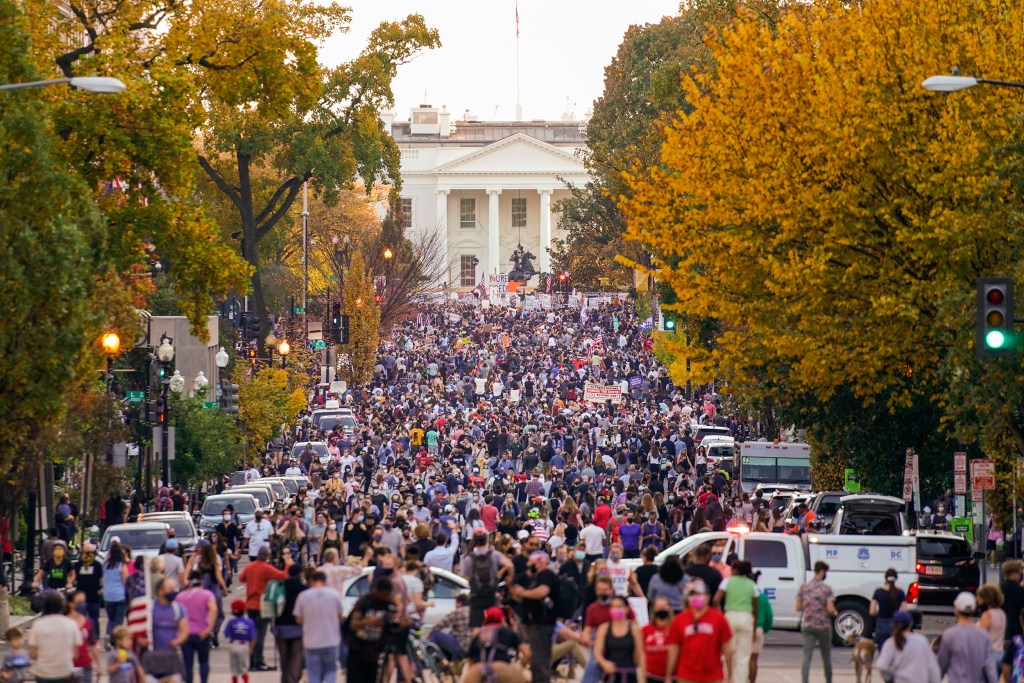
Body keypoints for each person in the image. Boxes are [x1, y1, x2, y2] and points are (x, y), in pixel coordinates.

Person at [664, 579, 733, 683]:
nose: (696, 597)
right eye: (692, 594)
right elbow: (674, 649)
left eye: (699, 594)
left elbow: (727, 648)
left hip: (713, 676)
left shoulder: (719, 618)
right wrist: (668, 676)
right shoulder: (679, 620)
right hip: (686, 676)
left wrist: (730, 675)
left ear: (708, 596)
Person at [510, 551, 559, 683]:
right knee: (538, 657)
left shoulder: (546, 575)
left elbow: (542, 592)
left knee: (540, 658)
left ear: (540, 562)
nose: (529, 566)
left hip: (541, 623)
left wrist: (524, 592)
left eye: (531, 563)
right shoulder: (536, 577)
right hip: (535, 624)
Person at [238, 545, 288, 671]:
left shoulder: (250, 567)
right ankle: (258, 661)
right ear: (268, 556)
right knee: (260, 635)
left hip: (250, 605)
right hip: (261, 605)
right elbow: (282, 576)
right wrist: (287, 563)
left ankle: (253, 660)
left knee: (253, 634)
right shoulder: (266, 568)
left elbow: (241, 578)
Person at [293, 570, 346, 683]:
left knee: (313, 672)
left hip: (311, 642)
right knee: (331, 670)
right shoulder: (334, 595)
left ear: (311, 581)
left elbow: (298, 618)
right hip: (331, 640)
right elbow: (340, 616)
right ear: (325, 581)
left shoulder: (303, 596)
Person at [713, 560, 758, 683]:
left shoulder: (727, 581)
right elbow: (755, 609)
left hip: (730, 617)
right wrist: (754, 629)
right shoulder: (752, 584)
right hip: (746, 617)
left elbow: (716, 599)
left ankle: (729, 678)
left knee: (728, 651)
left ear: (735, 570)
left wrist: (719, 612)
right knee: (743, 656)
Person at [936, 591, 996, 683]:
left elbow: (941, 666)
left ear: (956, 609)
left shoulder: (949, 635)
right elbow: (989, 668)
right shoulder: (983, 635)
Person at [346, 576, 398, 683]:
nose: (384, 597)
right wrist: (369, 622)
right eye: (383, 595)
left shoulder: (388, 605)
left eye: (387, 595)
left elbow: (391, 626)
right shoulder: (365, 602)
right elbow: (353, 624)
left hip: (374, 651)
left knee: (371, 678)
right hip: (358, 648)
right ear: (377, 591)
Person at [459, 530, 514, 627]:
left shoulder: (468, 558)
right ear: (487, 540)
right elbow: (510, 565)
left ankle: (477, 640)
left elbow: (467, 577)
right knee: (495, 623)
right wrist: (509, 579)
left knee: (475, 626)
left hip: (476, 595)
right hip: (492, 594)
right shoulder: (494, 555)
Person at [462, 606, 531, 683]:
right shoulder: (507, 632)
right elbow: (527, 654)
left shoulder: (477, 635)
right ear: (502, 619)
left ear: (485, 620)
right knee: (526, 677)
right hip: (502, 668)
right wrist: (519, 667)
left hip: (479, 669)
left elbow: (471, 662)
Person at [28, 590, 82, 683]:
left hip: (43, 673)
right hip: (64, 672)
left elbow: (32, 654)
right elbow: (75, 655)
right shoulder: (71, 624)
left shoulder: (37, 625)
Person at [796, 561, 837, 683]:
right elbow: (830, 609)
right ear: (823, 571)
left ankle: (805, 680)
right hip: (823, 626)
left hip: (808, 625)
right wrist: (834, 612)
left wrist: (809, 608)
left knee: (807, 655)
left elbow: (798, 607)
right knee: (826, 656)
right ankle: (828, 680)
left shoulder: (804, 587)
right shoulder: (827, 589)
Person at [174, 570, 218, 683]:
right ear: (201, 581)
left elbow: (175, 614)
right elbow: (214, 610)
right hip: (202, 633)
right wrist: (209, 629)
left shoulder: (180, 596)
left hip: (186, 634)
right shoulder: (207, 595)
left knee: (187, 664)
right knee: (203, 662)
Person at [875, 610, 940, 683]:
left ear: (893, 624)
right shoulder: (921, 641)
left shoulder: (890, 643)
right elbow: (932, 668)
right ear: (910, 624)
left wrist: (889, 679)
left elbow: (882, 666)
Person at [593, 595, 646, 683]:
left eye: (619, 606)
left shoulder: (634, 629)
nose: (616, 609)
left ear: (627, 608)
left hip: (629, 674)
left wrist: (643, 678)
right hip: (610, 674)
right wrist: (603, 663)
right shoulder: (604, 628)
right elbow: (597, 652)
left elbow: (640, 654)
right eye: (613, 606)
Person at [274, 563, 307, 683]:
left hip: (281, 627)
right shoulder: (304, 589)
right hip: (297, 628)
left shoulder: (280, 586)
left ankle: (285, 678)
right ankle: (293, 678)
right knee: (296, 656)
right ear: (300, 574)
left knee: (284, 657)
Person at [69, 591, 101, 683]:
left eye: (84, 601)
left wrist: (98, 665)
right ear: (71, 604)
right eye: (79, 602)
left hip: (85, 664)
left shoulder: (87, 622)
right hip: (71, 665)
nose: (82, 605)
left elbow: (92, 644)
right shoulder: (64, 622)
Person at [869, 568, 906, 648]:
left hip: (881, 625)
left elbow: (872, 611)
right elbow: (904, 611)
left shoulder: (878, 592)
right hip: (895, 625)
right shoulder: (900, 592)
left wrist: (879, 612)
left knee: (883, 655)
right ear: (896, 578)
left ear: (885, 578)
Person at [73, 542, 103, 638]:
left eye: (91, 552)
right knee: (81, 617)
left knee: (94, 617)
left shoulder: (97, 565)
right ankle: (83, 635)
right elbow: (73, 577)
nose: (88, 555)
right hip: (81, 595)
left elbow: (101, 578)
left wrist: (101, 588)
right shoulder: (78, 565)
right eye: (86, 552)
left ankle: (95, 636)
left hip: (94, 595)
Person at [102, 540, 130, 642]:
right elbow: (125, 581)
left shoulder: (105, 565)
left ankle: (108, 635)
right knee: (119, 620)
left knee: (111, 619)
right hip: (120, 595)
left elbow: (103, 579)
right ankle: (116, 640)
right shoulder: (122, 565)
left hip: (107, 596)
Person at [976, 584, 1007, 676]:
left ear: (986, 599)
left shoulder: (987, 615)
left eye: (980, 598)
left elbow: (981, 636)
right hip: (1000, 653)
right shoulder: (1001, 614)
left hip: (988, 655)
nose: (978, 601)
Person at [223, 600, 256, 683]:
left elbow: (227, 634)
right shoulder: (249, 622)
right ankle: (245, 681)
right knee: (244, 666)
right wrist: (251, 648)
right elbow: (253, 637)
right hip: (244, 645)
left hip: (233, 644)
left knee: (234, 667)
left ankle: (235, 680)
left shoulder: (231, 622)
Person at [642, 596, 673, 683]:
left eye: (664, 607)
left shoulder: (676, 629)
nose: (661, 610)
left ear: (670, 609)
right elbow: (640, 654)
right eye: (658, 607)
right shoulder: (645, 630)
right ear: (653, 609)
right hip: (650, 677)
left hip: (673, 677)